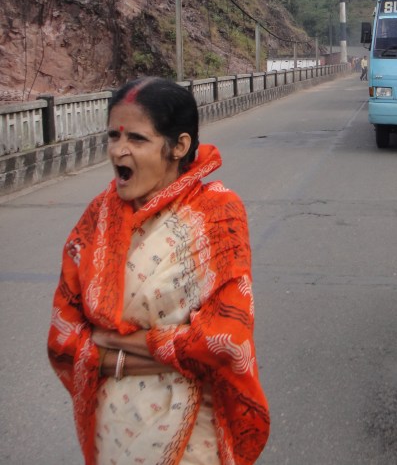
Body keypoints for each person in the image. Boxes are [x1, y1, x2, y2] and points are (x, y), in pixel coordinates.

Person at [48, 77, 270, 465]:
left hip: (190, 430)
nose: (119, 150)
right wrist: (170, 352)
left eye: (136, 138)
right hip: (113, 427)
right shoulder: (98, 217)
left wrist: (112, 343)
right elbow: (63, 336)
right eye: (113, 136)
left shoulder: (217, 214)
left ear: (179, 146)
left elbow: (226, 341)